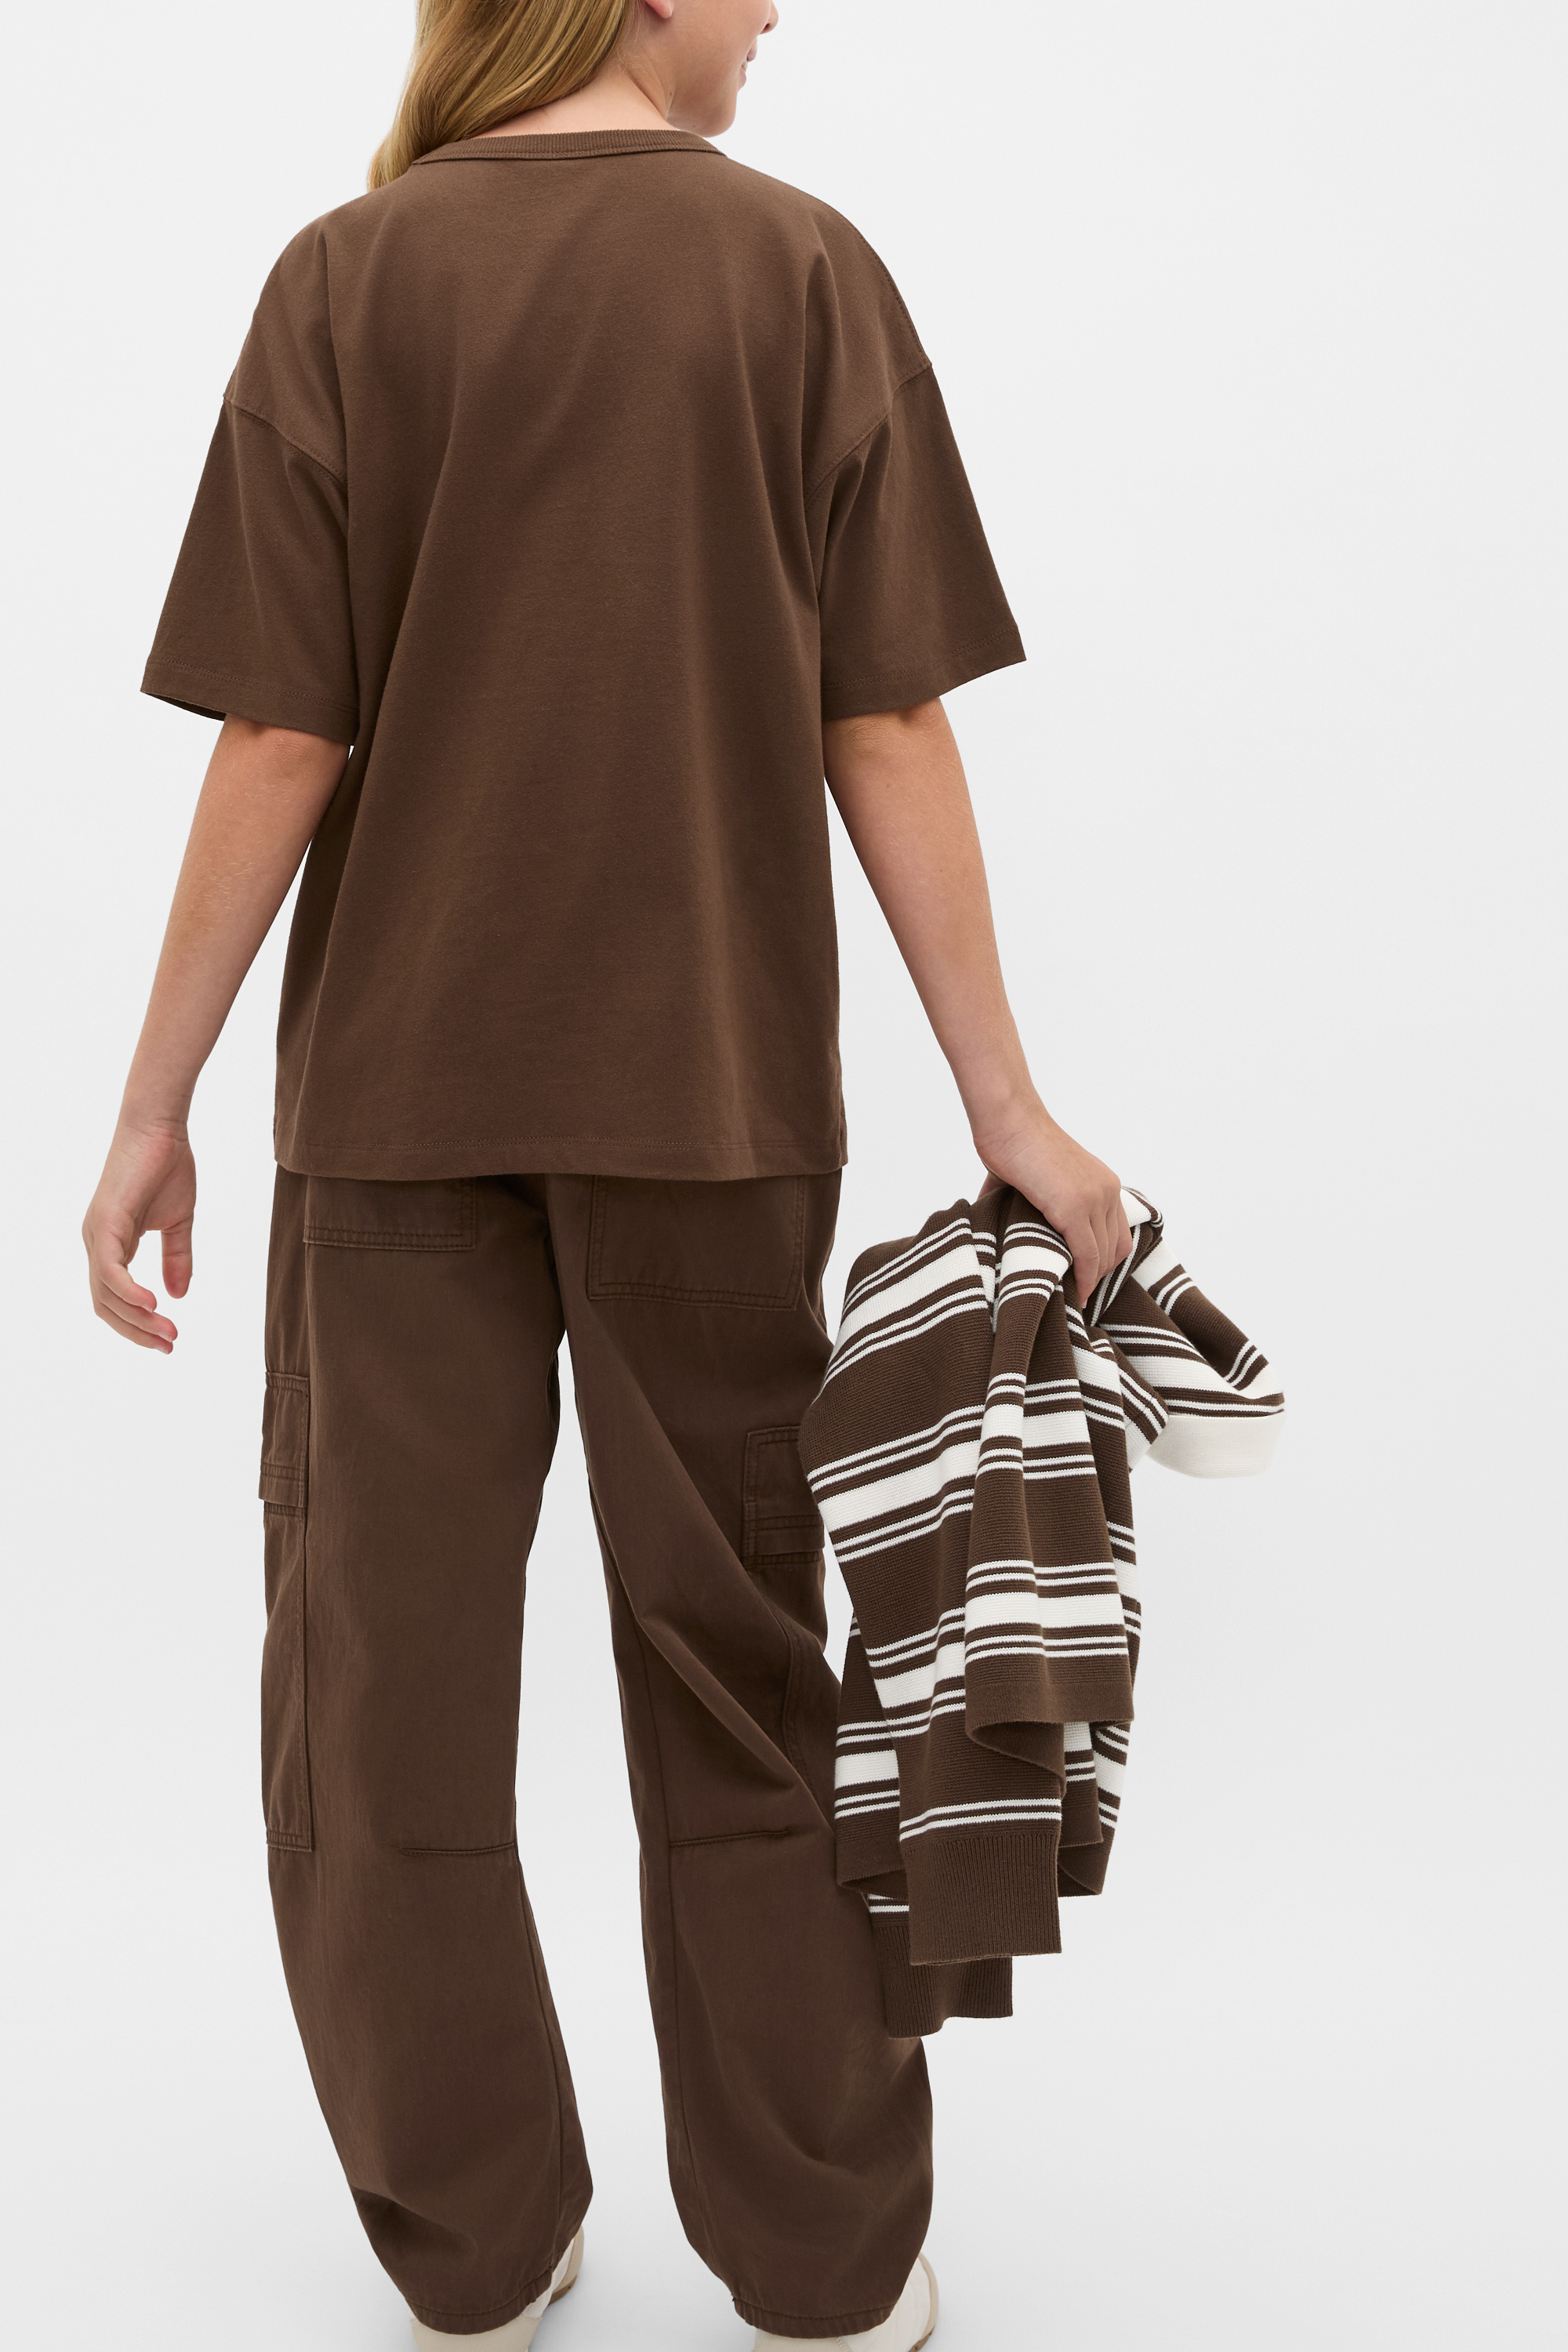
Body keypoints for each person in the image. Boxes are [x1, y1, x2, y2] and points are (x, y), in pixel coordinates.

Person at [82, 2, 1132, 2345]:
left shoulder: (348, 279)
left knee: (383, 1697)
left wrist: (155, 1102)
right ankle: (825, 2266)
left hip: (396, 1121)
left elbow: (278, 735)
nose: (782, 11)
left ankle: (473, 2254)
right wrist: (1007, 1106)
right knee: (745, 1680)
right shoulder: (800, 274)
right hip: (711, 1114)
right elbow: (886, 719)